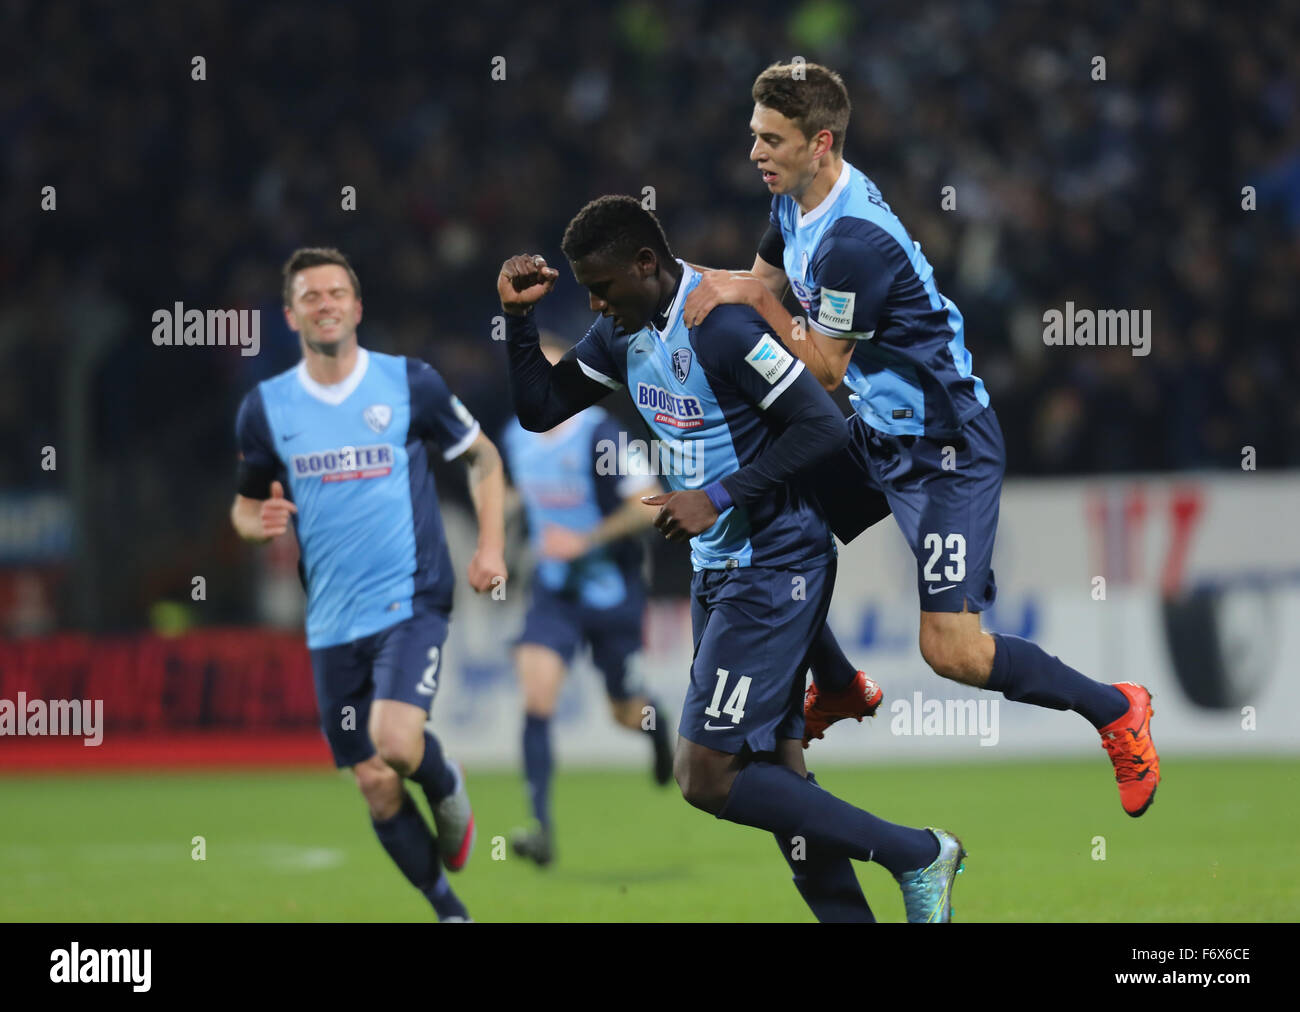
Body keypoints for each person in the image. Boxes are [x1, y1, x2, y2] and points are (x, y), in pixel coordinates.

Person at [681, 61, 1160, 815]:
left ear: (821, 143)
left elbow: (824, 369)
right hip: (877, 433)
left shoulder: (853, 242)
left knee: (952, 652)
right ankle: (839, 688)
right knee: (769, 518)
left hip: (946, 449)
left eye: (771, 139)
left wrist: (743, 293)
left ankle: (1115, 709)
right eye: (754, 136)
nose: (755, 153)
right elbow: (762, 289)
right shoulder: (788, 203)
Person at [499, 196, 966, 922]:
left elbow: (823, 423)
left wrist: (716, 494)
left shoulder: (720, 323)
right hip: (721, 569)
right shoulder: (623, 332)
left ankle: (917, 852)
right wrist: (518, 320)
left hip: (778, 562)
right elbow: (540, 408)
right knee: (777, 775)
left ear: (647, 264)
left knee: (706, 775)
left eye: (604, 286)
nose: (594, 302)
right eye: (586, 288)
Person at [231, 247, 507, 921]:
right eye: (310, 296)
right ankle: (449, 910)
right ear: (292, 314)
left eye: (336, 293)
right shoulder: (266, 409)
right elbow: (242, 506)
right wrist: (254, 522)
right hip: (329, 618)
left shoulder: (408, 383)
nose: (324, 303)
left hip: (410, 597)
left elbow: (482, 458)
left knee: (396, 743)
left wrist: (492, 547)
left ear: (356, 308)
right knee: (377, 784)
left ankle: (445, 781)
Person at [502, 332, 673, 866]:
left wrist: (586, 539)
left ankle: (655, 727)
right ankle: (540, 827)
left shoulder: (603, 436)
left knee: (626, 714)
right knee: (537, 694)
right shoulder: (516, 436)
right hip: (553, 592)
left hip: (612, 592)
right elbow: (513, 494)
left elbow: (650, 505)